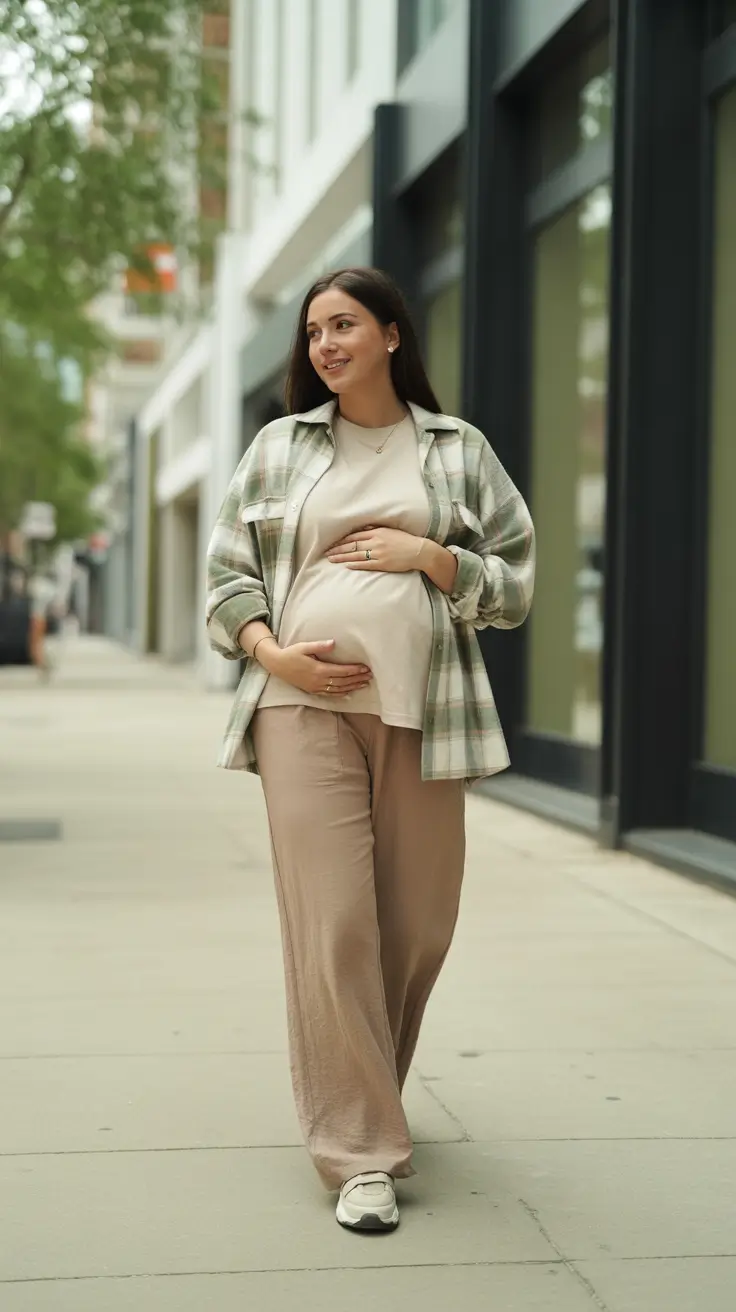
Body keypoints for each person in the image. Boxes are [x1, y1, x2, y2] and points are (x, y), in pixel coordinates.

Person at [206, 267, 535, 1232]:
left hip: (425, 714)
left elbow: (515, 585)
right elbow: (228, 577)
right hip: (298, 706)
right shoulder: (280, 449)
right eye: (313, 332)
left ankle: (363, 1095)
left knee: (418, 923)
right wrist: (274, 656)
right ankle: (360, 1151)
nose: (325, 345)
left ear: (392, 335)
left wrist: (431, 558)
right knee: (337, 924)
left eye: (343, 325)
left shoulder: (457, 450)